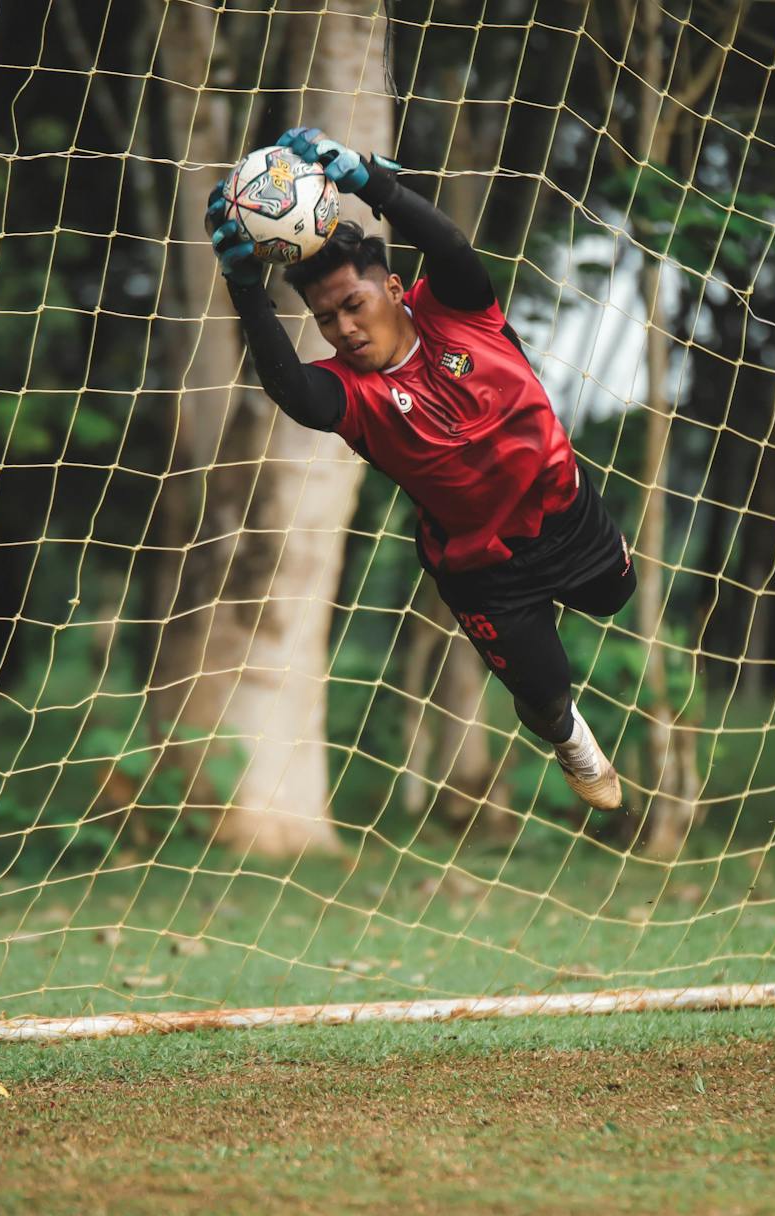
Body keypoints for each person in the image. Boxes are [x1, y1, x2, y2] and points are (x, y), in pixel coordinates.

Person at [205, 126, 634, 810]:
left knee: (615, 596)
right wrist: (246, 289)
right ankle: (572, 737)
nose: (344, 327)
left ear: (396, 289)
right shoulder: (353, 395)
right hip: (484, 568)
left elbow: (452, 246)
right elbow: (290, 388)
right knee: (545, 694)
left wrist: (373, 184)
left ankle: (571, 660)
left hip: (564, 512)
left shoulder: (458, 311)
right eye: (326, 318)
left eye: (354, 304)